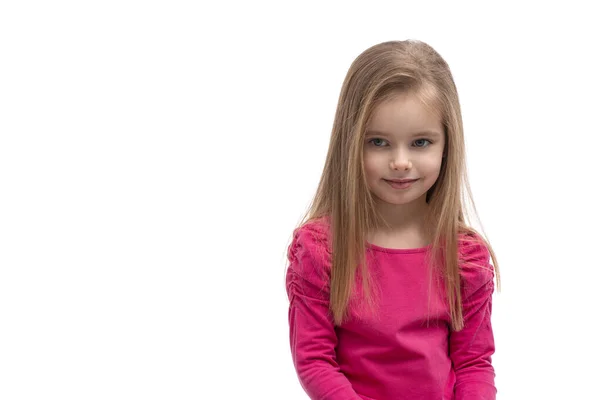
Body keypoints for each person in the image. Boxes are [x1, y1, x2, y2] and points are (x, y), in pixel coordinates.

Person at [284, 40, 501, 400]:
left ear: (447, 144)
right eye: (379, 142)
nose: (401, 162)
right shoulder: (321, 250)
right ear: (351, 143)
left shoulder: (465, 258)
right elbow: (315, 361)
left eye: (420, 143)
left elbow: (473, 363)